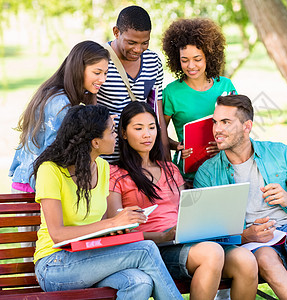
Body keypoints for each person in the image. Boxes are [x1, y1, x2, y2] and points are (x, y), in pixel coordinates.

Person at [194, 95, 287, 300]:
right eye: (215, 122)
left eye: (225, 122)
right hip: (253, 242)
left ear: (247, 126)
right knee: (264, 260)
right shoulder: (208, 173)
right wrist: (247, 235)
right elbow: (208, 233)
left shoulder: (280, 153)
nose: (217, 129)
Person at [107, 101, 258, 300]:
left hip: (188, 241)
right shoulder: (116, 174)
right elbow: (118, 232)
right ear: (124, 133)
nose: (147, 134)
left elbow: (189, 210)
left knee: (245, 260)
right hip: (154, 250)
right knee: (211, 253)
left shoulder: (171, 169)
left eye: (152, 128)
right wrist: (163, 236)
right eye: (139, 128)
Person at [32, 105, 182, 300]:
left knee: (139, 282)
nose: (116, 136)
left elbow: (99, 225)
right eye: (112, 131)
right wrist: (113, 222)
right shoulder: (50, 170)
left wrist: (121, 224)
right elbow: (58, 235)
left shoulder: (102, 167)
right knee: (145, 249)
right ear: (95, 142)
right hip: (55, 264)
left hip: (92, 255)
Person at [9, 40, 109, 192]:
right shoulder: (60, 103)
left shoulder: (59, 94)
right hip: (34, 189)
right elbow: (56, 153)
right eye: (97, 73)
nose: (103, 79)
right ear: (79, 68)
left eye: (105, 73)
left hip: (33, 183)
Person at [162, 18, 236, 185]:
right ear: (176, 59)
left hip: (224, 169)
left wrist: (225, 144)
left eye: (197, 59)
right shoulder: (171, 93)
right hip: (188, 175)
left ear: (208, 57)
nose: (191, 66)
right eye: (184, 60)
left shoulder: (225, 85)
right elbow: (159, 134)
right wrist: (177, 146)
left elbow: (238, 124)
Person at [97, 5, 169, 162]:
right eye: (131, 42)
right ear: (116, 32)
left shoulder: (153, 62)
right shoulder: (98, 61)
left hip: (140, 159)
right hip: (107, 159)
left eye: (144, 43)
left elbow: (157, 113)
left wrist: (165, 160)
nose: (138, 49)